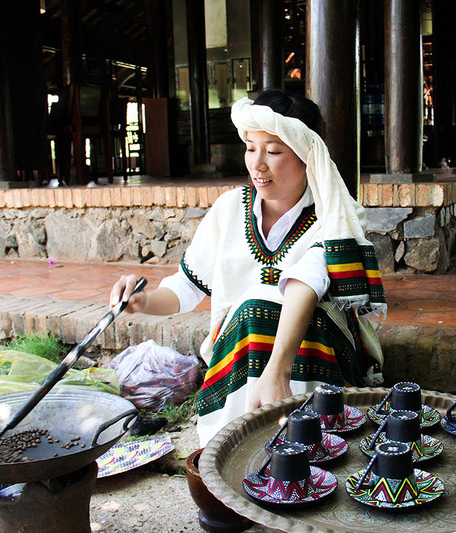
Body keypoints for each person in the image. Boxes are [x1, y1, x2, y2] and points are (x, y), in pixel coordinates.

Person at [110, 89, 386, 446]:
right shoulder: (228, 210)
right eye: (250, 148)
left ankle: (312, 436)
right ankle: (236, 446)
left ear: (307, 157)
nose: (258, 164)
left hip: (317, 355)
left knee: (264, 304)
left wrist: (277, 370)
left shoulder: (333, 216)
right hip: (244, 356)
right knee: (253, 310)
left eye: (273, 151)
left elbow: (306, 281)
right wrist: (144, 300)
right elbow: (186, 287)